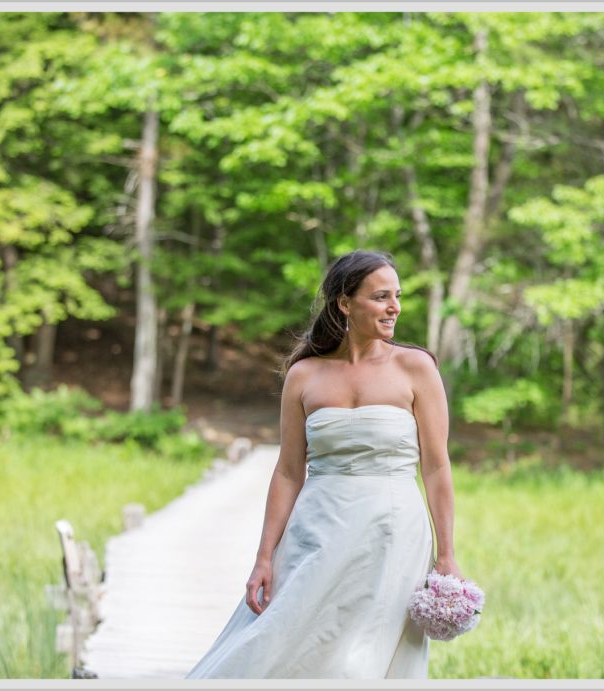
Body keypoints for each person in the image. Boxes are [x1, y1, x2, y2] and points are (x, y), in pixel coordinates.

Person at [184, 249, 464, 679]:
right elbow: (288, 471)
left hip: (392, 533)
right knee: (281, 633)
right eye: (381, 297)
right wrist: (264, 557)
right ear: (345, 303)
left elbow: (437, 468)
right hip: (315, 526)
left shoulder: (415, 368)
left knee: (367, 651)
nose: (395, 308)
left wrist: (446, 554)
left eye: (398, 296)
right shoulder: (304, 375)